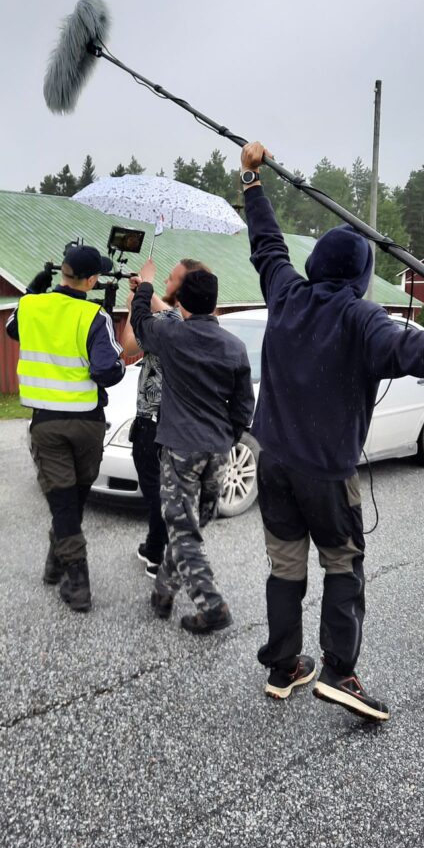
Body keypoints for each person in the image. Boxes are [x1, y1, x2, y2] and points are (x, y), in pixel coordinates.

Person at [239, 141, 424, 721]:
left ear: (316, 265)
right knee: (342, 562)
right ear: (363, 278)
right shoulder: (363, 317)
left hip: (273, 462)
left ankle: (283, 666)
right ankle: (340, 674)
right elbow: (417, 350)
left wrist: (252, 182)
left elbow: (266, 243)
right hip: (324, 473)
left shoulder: (285, 294)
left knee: (285, 565)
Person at [130, 266, 254, 634]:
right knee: (190, 523)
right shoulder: (234, 346)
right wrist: (226, 437)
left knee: (184, 531)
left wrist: (145, 285)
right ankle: (163, 593)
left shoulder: (171, 335)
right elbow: (244, 406)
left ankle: (212, 606)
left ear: (180, 301)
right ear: (216, 303)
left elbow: (139, 322)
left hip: (180, 448)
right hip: (217, 450)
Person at [6, 245, 125, 613]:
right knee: (72, 501)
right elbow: (110, 371)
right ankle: (79, 586)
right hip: (86, 422)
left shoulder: (29, 307)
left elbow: (13, 330)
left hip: (46, 422)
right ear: (91, 281)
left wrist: (32, 290)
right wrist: (109, 364)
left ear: (62, 272)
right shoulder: (94, 315)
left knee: (64, 502)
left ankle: (56, 564)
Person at [120, 256, 210, 577]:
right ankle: (156, 547)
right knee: (161, 490)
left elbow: (174, 321)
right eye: (168, 278)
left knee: (162, 492)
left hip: (161, 422)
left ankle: (161, 556)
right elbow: (130, 346)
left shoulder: (188, 322)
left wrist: (146, 291)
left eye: (174, 279)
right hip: (164, 422)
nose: (168, 283)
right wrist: (137, 305)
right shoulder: (161, 320)